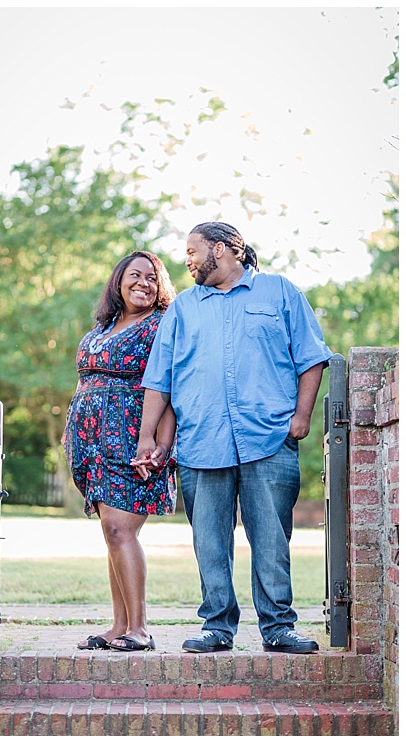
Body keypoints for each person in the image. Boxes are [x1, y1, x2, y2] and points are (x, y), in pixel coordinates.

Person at [133, 222, 330, 654]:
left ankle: (278, 627)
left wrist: (302, 416)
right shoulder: (183, 308)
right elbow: (159, 379)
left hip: (269, 438)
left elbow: (312, 357)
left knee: (272, 540)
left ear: (221, 250)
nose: (186, 261)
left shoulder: (279, 292)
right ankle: (217, 627)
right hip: (202, 441)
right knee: (209, 541)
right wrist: (148, 437)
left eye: (192, 251)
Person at [64, 251, 178, 652]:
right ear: (119, 280)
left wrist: (160, 446)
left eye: (152, 278)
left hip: (134, 441)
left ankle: (140, 629)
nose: (143, 283)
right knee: (111, 533)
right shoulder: (105, 325)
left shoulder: (162, 326)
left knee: (120, 529)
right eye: (135, 275)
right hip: (94, 444)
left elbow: (167, 389)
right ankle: (119, 626)